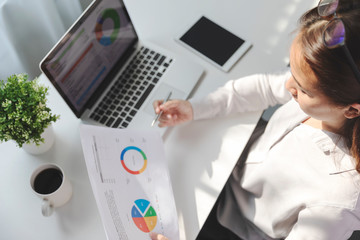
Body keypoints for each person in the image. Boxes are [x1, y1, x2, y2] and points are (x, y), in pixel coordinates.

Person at [151, 0, 360, 239]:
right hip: (230, 166)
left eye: (303, 90)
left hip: (236, 227)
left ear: (352, 110)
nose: (289, 85)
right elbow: (263, 87)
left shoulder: (338, 202)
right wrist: (196, 108)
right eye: (292, 71)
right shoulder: (317, 84)